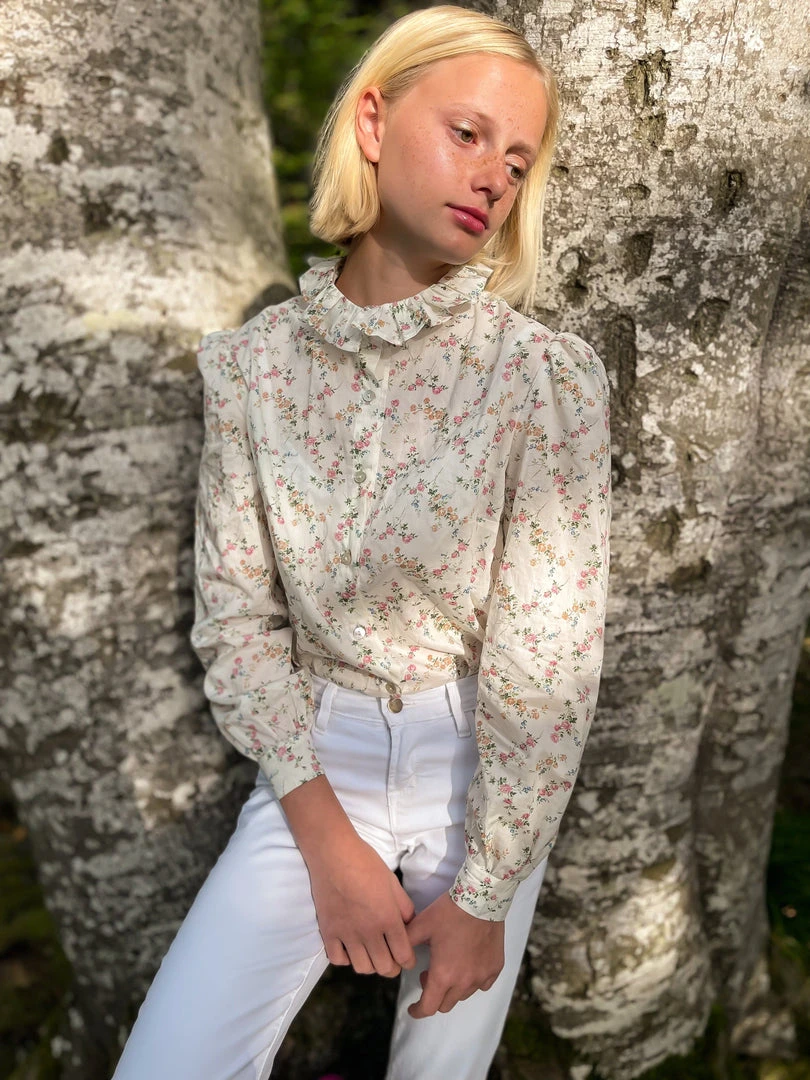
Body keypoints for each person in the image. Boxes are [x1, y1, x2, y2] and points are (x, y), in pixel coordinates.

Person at [111, 6, 611, 1079]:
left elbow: (549, 662)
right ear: (374, 122)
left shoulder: (540, 377)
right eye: (468, 134)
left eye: (517, 162)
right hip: (313, 765)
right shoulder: (254, 369)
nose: (492, 179)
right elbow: (236, 623)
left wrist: (487, 892)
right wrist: (326, 840)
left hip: (487, 774)